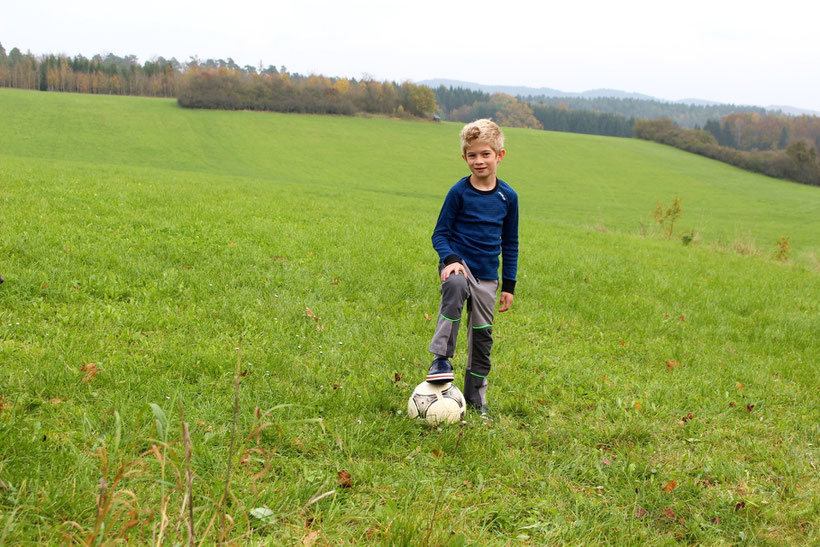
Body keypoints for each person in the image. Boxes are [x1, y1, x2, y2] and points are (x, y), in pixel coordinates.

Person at [426, 119, 519, 420]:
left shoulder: (508, 197)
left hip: (488, 277)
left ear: (499, 155)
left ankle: (475, 398)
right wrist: (450, 259)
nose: (479, 161)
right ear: (464, 158)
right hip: (459, 265)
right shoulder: (459, 192)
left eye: (485, 154)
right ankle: (441, 359)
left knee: (482, 336)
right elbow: (440, 233)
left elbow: (511, 242)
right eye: (472, 155)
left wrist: (508, 286)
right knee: (453, 287)